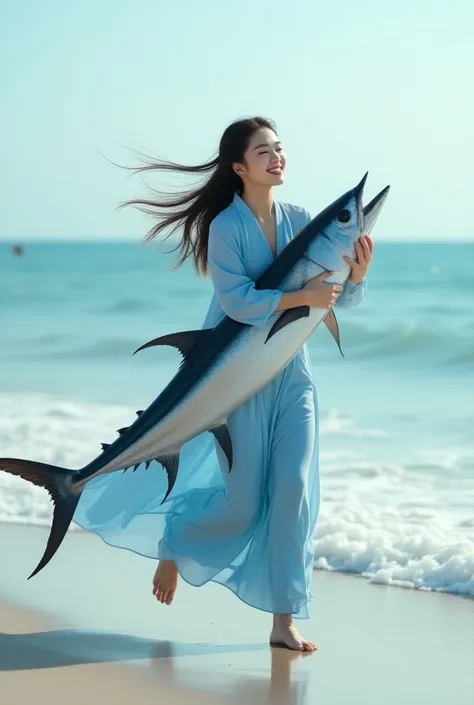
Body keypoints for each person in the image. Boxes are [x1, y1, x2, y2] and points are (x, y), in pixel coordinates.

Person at [77, 116, 373, 652]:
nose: (277, 157)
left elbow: (336, 302)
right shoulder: (225, 227)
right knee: (241, 503)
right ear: (240, 167)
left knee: (293, 491)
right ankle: (177, 541)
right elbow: (238, 302)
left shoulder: (303, 219)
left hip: (292, 379)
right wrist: (300, 298)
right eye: (264, 151)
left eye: (280, 148)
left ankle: (284, 619)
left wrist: (356, 278)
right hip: (234, 382)